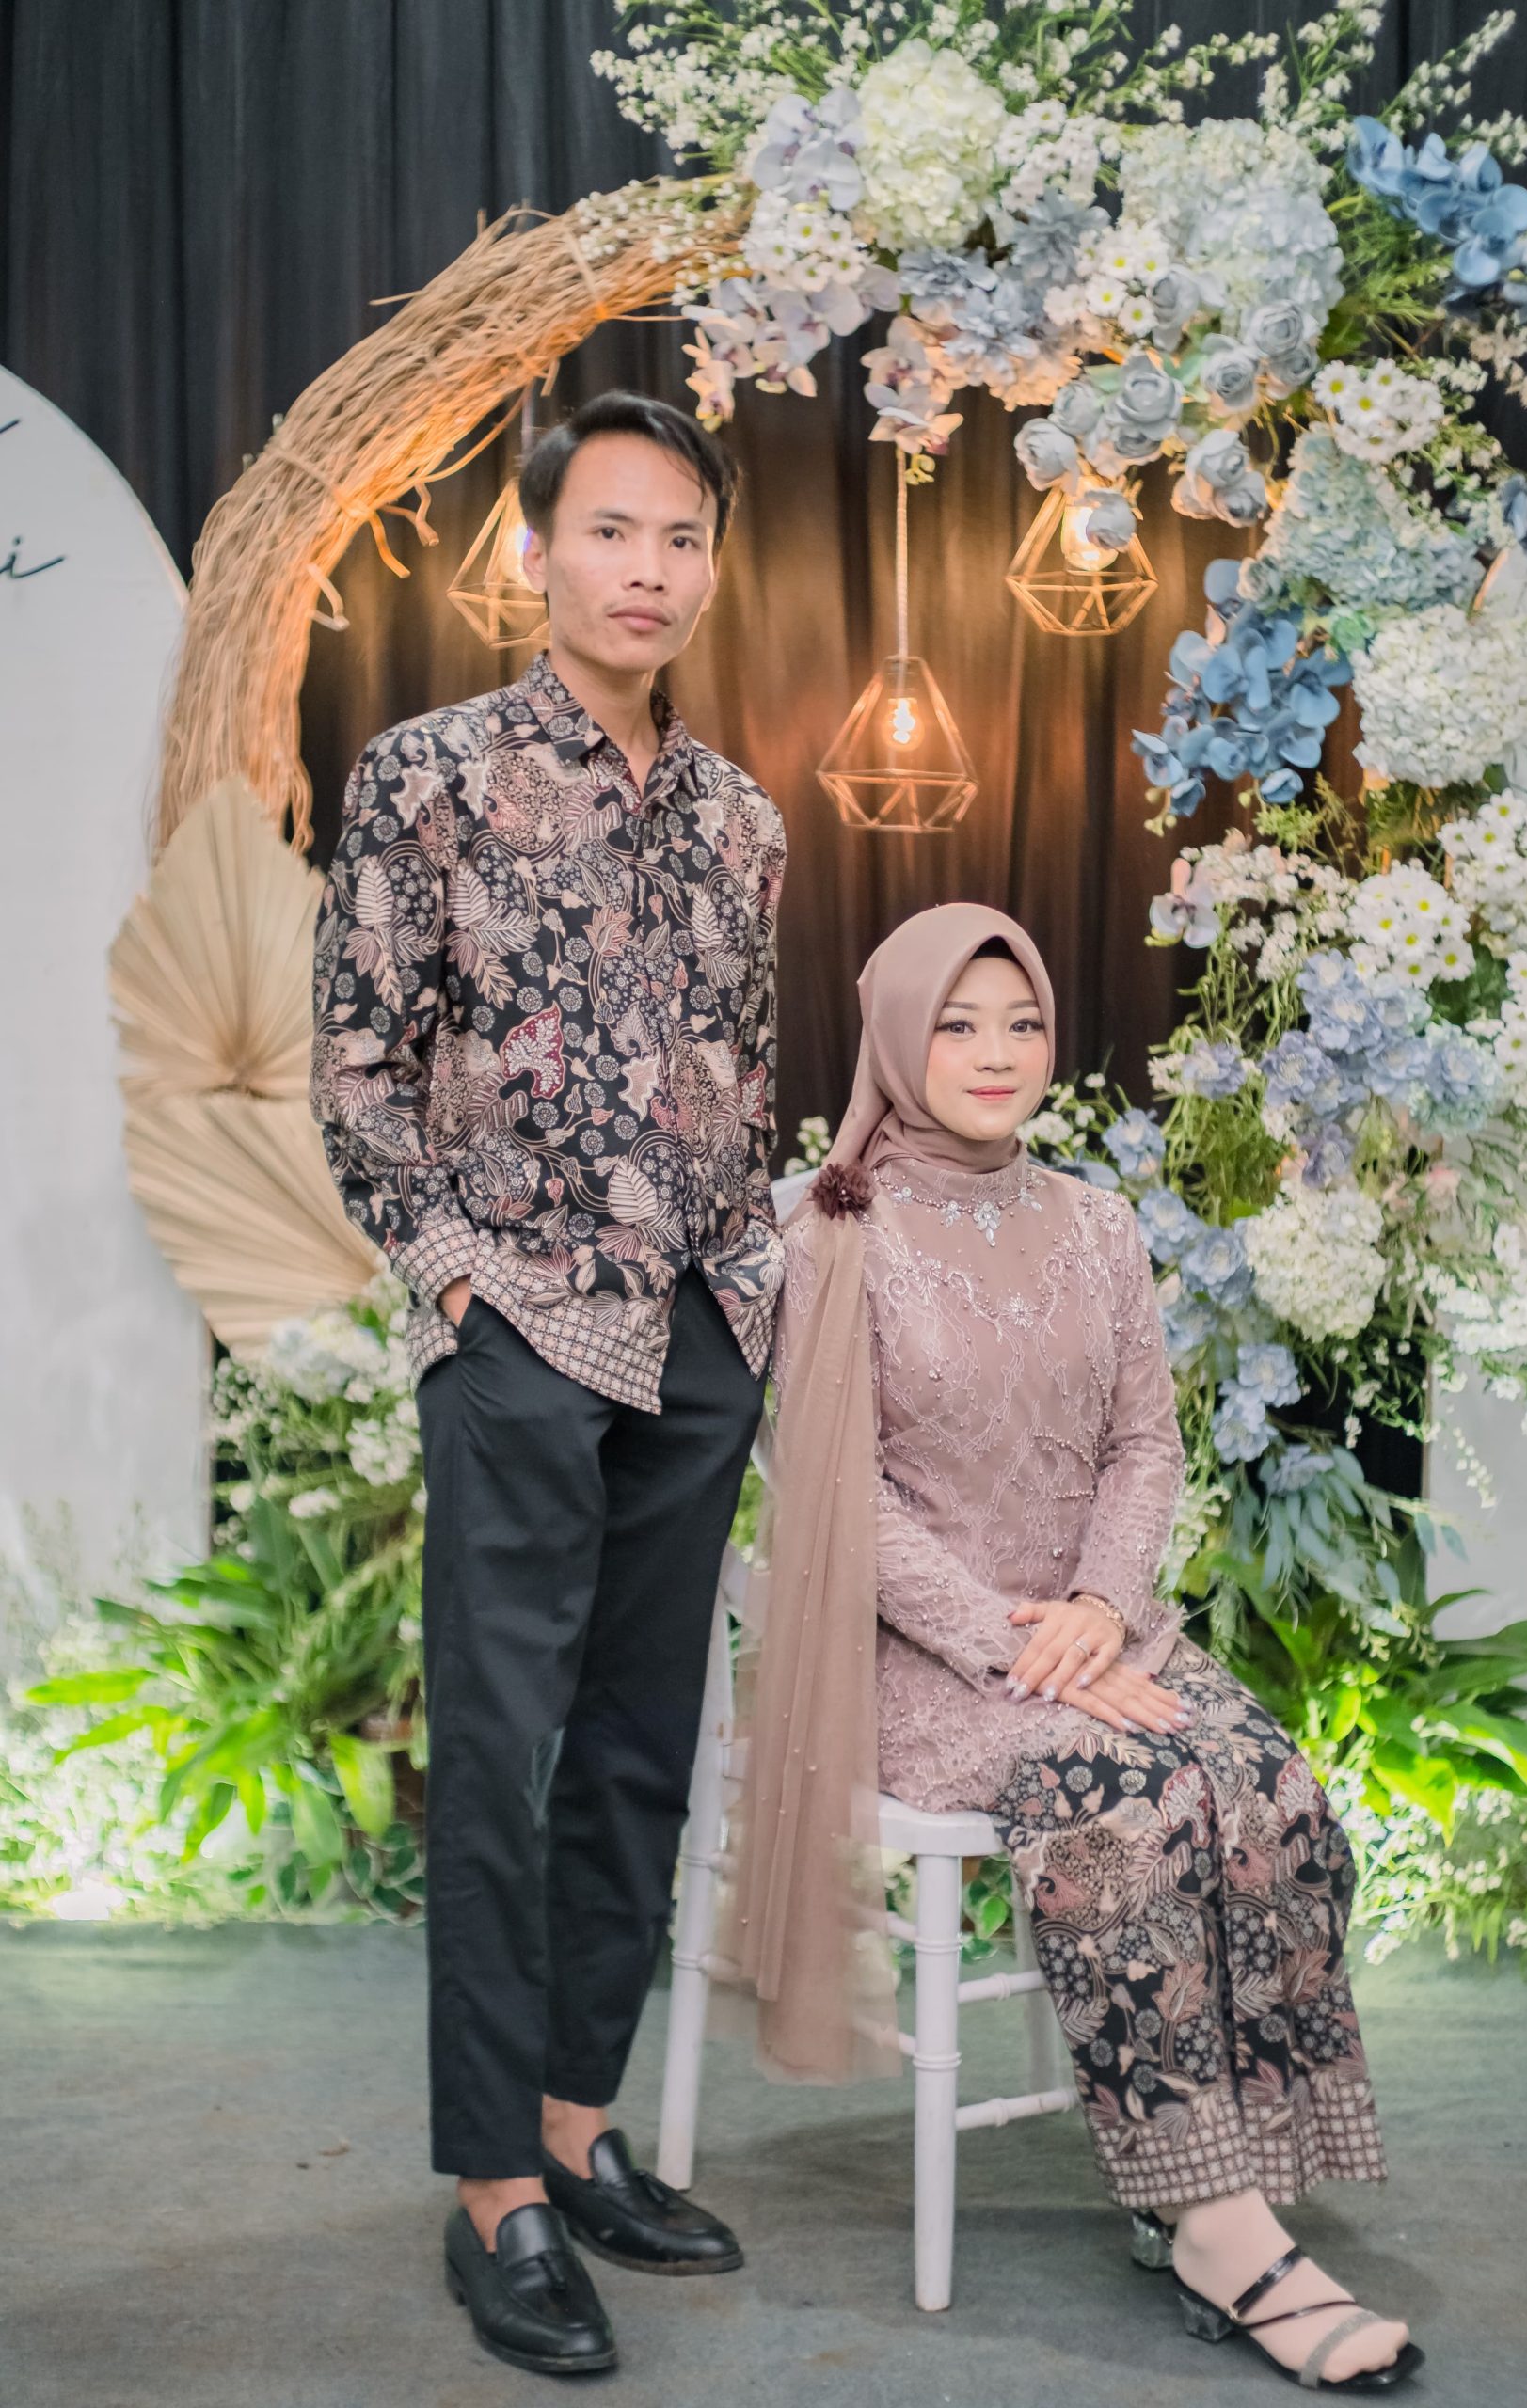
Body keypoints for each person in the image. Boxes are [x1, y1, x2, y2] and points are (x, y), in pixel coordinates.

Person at [731, 903, 1423, 2396]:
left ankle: (1221, 2174)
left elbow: (1141, 1447)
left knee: (1269, 1784)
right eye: (956, 1025)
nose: (995, 1054)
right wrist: (1013, 1648)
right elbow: (838, 1495)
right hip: (917, 1660)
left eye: (1022, 1023)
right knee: (1120, 1803)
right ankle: (1219, 2233)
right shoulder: (829, 1230)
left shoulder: (1098, 1222)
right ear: (893, 1040)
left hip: (1094, 1632)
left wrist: (1103, 1609)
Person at [311, 390, 787, 2379]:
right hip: (515, 1329)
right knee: (503, 1765)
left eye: (680, 536)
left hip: (695, 1334)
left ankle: (578, 2130)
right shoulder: (423, 776)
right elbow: (354, 1069)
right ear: (535, 552)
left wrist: (751, 1282)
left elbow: (745, 1074)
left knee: (637, 1752)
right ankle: (492, 2190)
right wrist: (456, 1283)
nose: (647, 570)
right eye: (611, 530)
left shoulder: (742, 817)